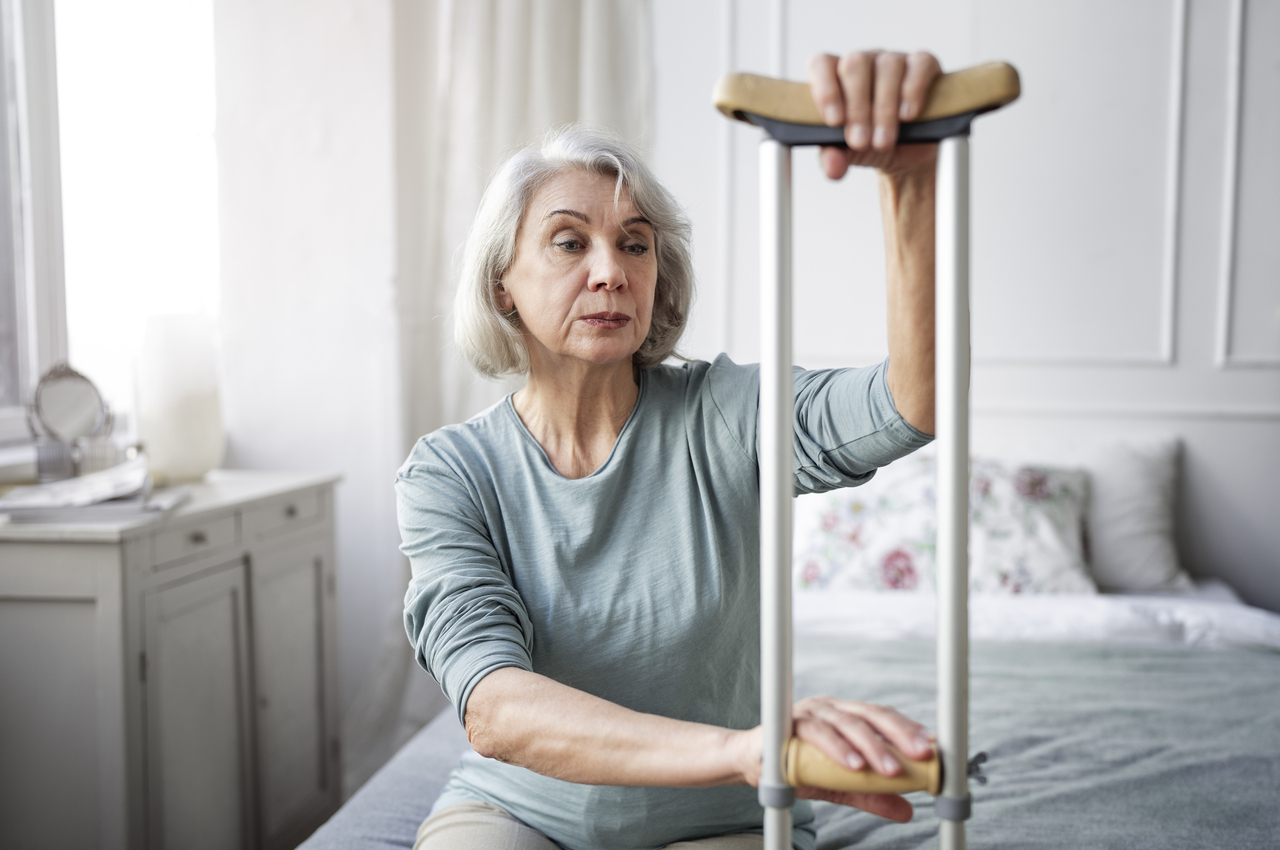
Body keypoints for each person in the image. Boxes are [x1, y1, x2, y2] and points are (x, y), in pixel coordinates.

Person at [398, 49, 944, 850]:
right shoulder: (451, 473)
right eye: (567, 242)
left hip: (721, 821)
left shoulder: (726, 413)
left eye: (635, 244)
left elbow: (911, 402)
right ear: (500, 282)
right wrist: (740, 751)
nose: (611, 271)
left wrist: (910, 184)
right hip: (519, 811)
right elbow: (496, 707)